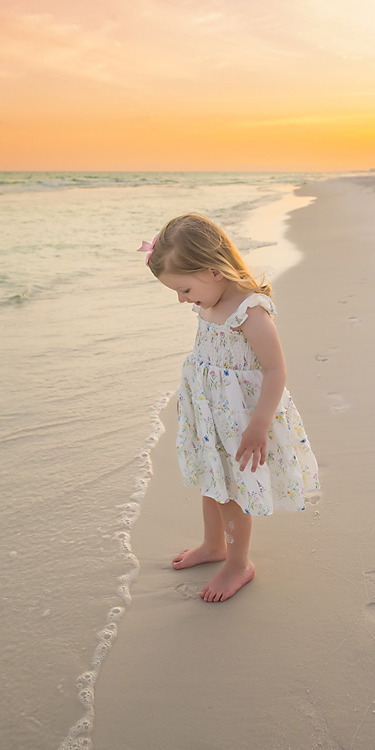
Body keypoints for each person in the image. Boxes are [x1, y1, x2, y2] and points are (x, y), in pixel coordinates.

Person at [141, 213, 320, 602]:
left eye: (184, 289)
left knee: (233, 491)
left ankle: (239, 564)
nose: (181, 299)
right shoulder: (208, 303)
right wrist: (189, 401)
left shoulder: (249, 311)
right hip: (211, 416)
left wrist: (259, 425)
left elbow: (275, 370)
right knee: (212, 480)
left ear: (213, 270)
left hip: (242, 421)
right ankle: (213, 545)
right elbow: (204, 359)